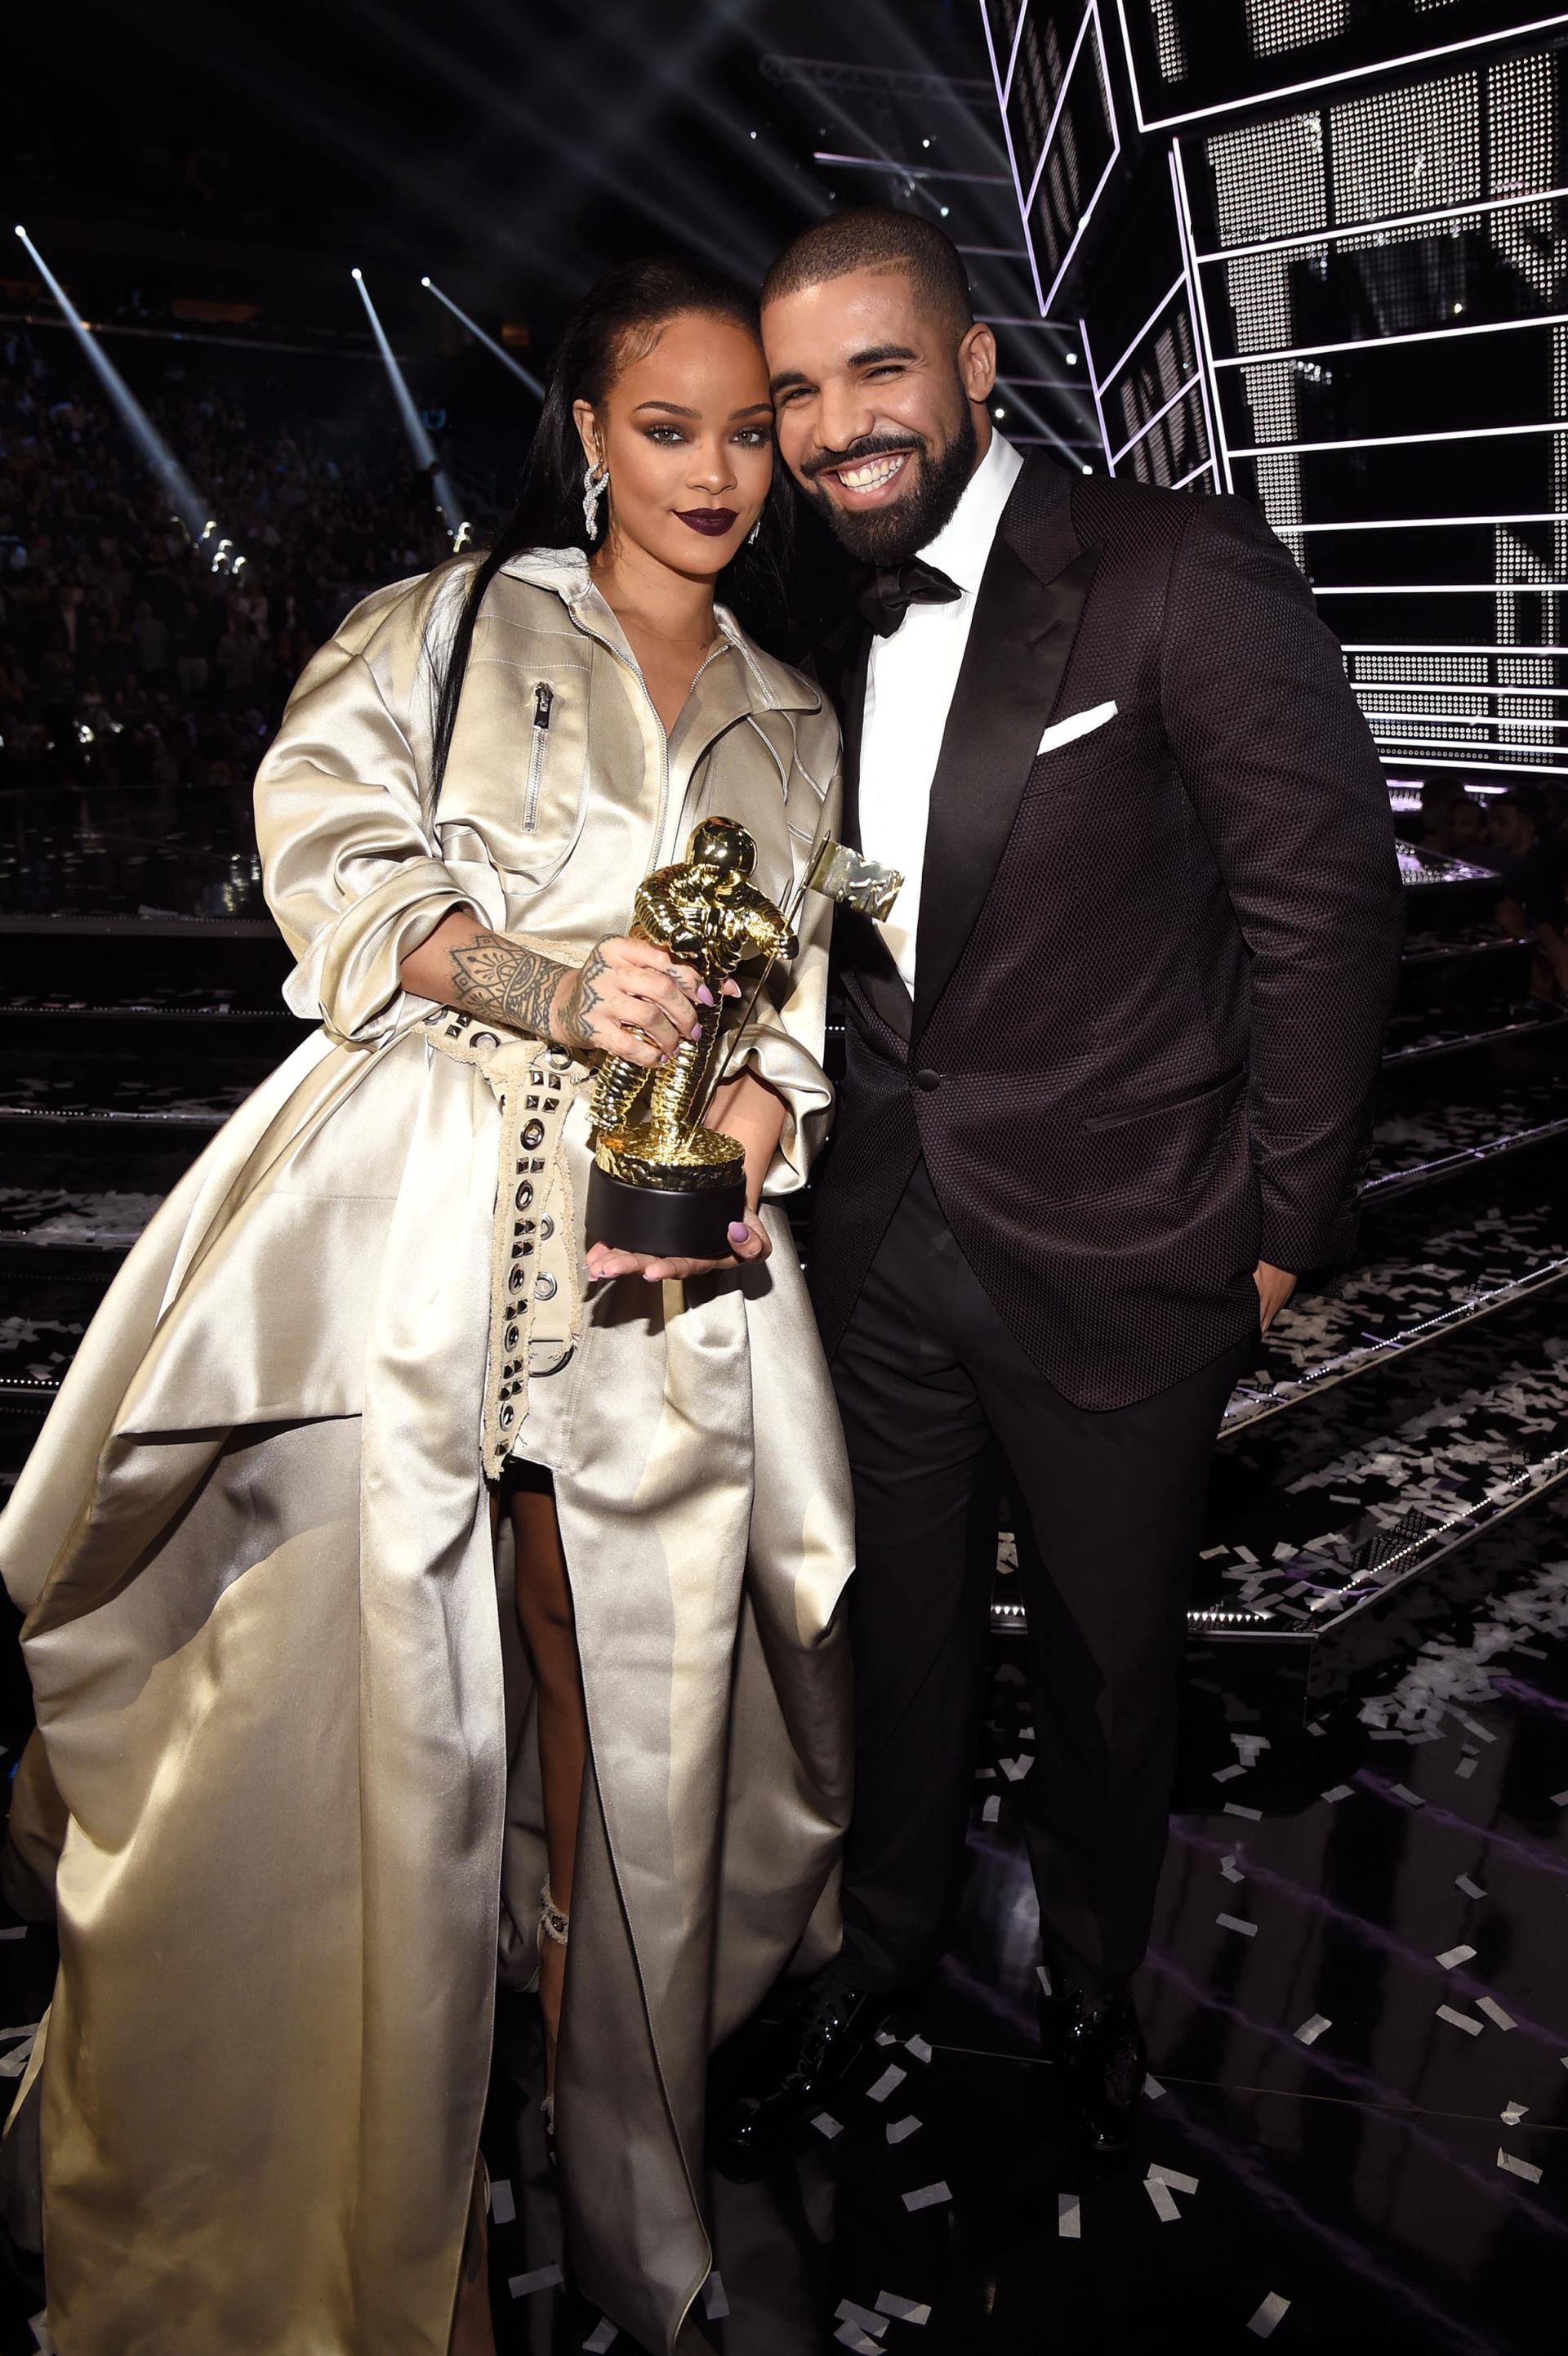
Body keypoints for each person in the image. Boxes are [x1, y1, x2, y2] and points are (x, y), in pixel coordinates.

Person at [0, 257, 853, 2356]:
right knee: (382, 1704)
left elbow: (795, 1009)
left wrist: (750, 1122)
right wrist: (547, 982)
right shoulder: (443, 625)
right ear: (591, 434)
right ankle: (392, 2194)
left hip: (661, 1257)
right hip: (408, 1219)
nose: (718, 470)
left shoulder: (793, 716)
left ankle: (611, 2130)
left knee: (612, 1691)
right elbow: (325, 842)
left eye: (751, 432)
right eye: (671, 427)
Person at [720, 206, 1403, 2166]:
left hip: (1132, 1249)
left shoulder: (1179, 569)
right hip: (885, 1245)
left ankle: (1098, 1975)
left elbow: (1327, 913)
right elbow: (871, 940)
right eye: (798, 391)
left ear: (974, 364)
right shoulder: (818, 634)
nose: (838, 424)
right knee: (901, 1643)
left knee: (1110, 1671)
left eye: (878, 369)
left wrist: (1276, 1235)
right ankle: (884, 1946)